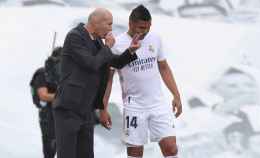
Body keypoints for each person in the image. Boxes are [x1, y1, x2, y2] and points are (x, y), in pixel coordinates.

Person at [52, 8, 140, 158]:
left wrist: (130, 51)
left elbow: (115, 62)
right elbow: (91, 63)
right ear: (96, 23)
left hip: (86, 109)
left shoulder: (98, 41)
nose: (111, 29)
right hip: (69, 108)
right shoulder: (75, 36)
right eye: (109, 24)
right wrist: (107, 47)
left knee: (86, 155)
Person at [102, 5, 182, 158]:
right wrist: (103, 107)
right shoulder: (117, 44)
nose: (145, 31)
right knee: (135, 153)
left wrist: (176, 96)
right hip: (134, 106)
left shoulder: (155, 38)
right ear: (130, 23)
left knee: (171, 148)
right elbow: (108, 80)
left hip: (158, 104)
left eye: (148, 27)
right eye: (141, 27)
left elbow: (164, 68)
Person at [29, 46, 63, 158]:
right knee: (50, 150)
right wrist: (64, 97)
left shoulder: (63, 75)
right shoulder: (42, 73)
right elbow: (43, 95)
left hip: (62, 114)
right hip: (47, 116)